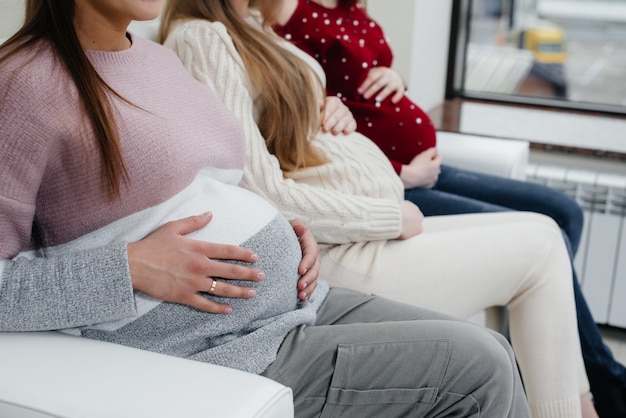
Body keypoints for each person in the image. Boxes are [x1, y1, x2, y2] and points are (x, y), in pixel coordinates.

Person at [0, 1, 533, 417]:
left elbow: (211, 181)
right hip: (221, 345)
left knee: (492, 350)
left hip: (297, 300)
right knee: (482, 369)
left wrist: (280, 226)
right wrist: (132, 267)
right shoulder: (23, 85)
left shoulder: (156, 59)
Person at [160, 0, 599, 416]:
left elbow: (272, 129)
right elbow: (258, 187)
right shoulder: (202, 38)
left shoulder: (251, 24)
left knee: (545, 229)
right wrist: (389, 218)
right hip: (337, 246)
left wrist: (320, 107)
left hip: (364, 224)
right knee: (541, 249)